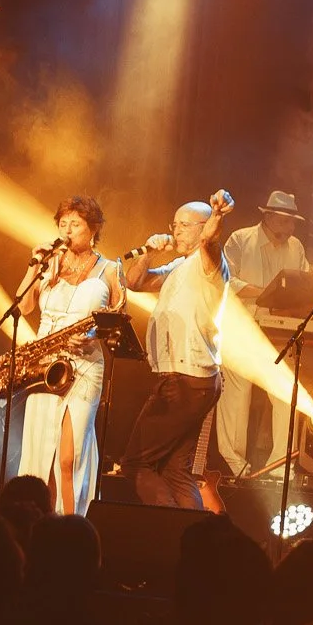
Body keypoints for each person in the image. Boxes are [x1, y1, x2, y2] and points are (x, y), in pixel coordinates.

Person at [118, 189, 234, 509]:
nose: (176, 231)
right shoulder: (179, 266)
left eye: (184, 225)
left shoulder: (209, 264)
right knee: (176, 471)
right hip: (190, 379)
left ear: (202, 227)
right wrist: (148, 253)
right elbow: (135, 282)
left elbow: (210, 240)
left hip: (184, 379)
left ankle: (167, 527)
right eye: (174, 225)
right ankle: (191, 532)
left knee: (136, 463)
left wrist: (217, 215)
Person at [12, 197, 125, 517]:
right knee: (41, 452)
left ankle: (72, 525)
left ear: (94, 229)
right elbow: (24, 307)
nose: (67, 230)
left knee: (68, 457)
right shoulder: (50, 264)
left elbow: (119, 320)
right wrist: (34, 265)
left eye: (75, 224)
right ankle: (40, 521)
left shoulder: (110, 269)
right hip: (45, 362)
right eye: (63, 224)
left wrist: (93, 335)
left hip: (85, 363)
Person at [214, 190, 309, 478]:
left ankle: (280, 466)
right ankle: (234, 464)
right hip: (242, 328)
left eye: (292, 223)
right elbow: (224, 279)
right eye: (285, 221)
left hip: (279, 331)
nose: (289, 228)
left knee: (285, 393)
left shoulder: (296, 247)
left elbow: (304, 284)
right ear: (268, 217)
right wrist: (266, 293)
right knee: (237, 395)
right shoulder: (241, 240)